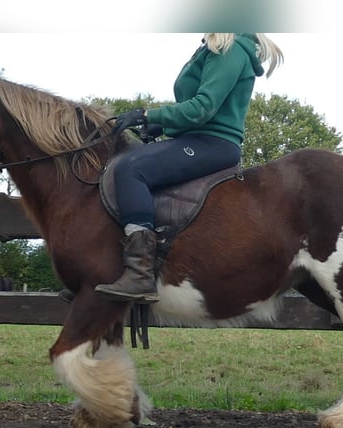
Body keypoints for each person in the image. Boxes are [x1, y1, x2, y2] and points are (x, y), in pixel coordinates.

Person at [93, 33, 283, 303]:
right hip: (197, 138)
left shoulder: (228, 50)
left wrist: (148, 115)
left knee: (132, 169)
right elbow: (200, 112)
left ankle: (140, 274)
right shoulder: (215, 48)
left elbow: (203, 108)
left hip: (212, 143)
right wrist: (162, 126)